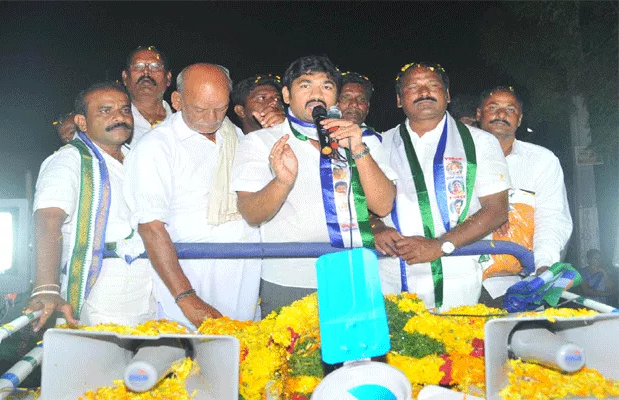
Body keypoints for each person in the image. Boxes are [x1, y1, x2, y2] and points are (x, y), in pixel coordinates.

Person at [231, 55, 396, 317]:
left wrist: (359, 150)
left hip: (354, 275)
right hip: (290, 280)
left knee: (358, 358)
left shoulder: (361, 139)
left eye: (326, 87)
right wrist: (282, 182)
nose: (316, 94)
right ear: (286, 94)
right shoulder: (261, 142)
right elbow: (251, 214)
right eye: (305, 85)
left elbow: (383, 205)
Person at [124, 63, 261, 329]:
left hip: (243, 277)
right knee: (186, 363)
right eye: (199, 109)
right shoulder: (156, 147)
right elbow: (151, 228)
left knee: (244, 362)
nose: (211, 117)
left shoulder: (239, 138)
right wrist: (187, 298)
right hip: (190, 281)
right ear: (176, 101)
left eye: (220, 108)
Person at [375, 62, 511, 310]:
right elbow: (361, 205)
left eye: (433, 85)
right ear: (398, 100)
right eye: (413, 87)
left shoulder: (480, 142)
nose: (424, 92)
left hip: (456, 270)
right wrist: (375, 228)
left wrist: (440, 245)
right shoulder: (379, 143)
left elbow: (497, 210)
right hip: (392, 271)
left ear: (447, 96)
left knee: (455, 346)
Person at [23, 82, 155, 331]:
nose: (119, 117)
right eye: (105, 111)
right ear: (82, 123)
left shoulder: (138, 158)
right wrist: (46, 287)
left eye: (125, 110)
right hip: (98, 296)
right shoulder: (68, 161)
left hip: (146, 293)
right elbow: (48, 222)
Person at [476, 86, 572, 304]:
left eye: (510, 109)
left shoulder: (542, 161)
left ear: (519, 119)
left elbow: (551, 219)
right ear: (479, 114)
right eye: (493, 107)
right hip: (460, 281)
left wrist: (544, 266)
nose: (501, 114)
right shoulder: (456, 158)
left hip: (519, 286)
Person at [122, 46, 173, 146]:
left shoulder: (183, 122)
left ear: (168, 78)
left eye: (155, 67)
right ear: (125, 77)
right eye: (138, 66)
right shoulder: (114, 122)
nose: (146, 72)